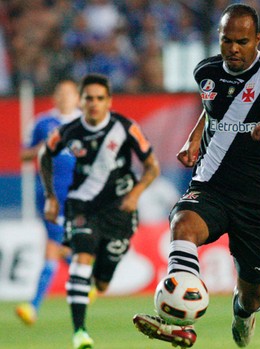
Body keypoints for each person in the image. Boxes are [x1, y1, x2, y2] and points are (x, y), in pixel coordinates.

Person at [132, 4, 260, 348]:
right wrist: (193, 139)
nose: (233, 48)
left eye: (242, 41)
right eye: (226, 40)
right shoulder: (206, 72)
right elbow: (212, 110)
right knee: (183, 223)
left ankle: (243, 314)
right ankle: (177, 322)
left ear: (257, 39)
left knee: (252, 294)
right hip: (212, 186)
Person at [38, 73, 160, 349]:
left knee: (102, 283)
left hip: (119, 211)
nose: (93, 103)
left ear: (109, 102)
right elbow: (45, 155)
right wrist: (50, 197)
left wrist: (135, 193)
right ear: (80, 102)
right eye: (88, 98)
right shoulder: (69, 131)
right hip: (82, 206)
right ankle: (79, 332)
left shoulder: (126, 128)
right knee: (81, 258)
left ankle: (93, 284)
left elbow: (152, 166)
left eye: (99, 98)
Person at [15, 79, 81, 326]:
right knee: (55, 244)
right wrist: (43, 148)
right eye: (60, 93)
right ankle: (83, 278)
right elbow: (23, 155)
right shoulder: (42, 123)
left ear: (77, 97)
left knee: (55, 245)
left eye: (70, 93)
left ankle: (33, 306)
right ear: (55, 97)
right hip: (49, 196)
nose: (65, 97)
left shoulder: (86, 124)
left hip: (79, 197)